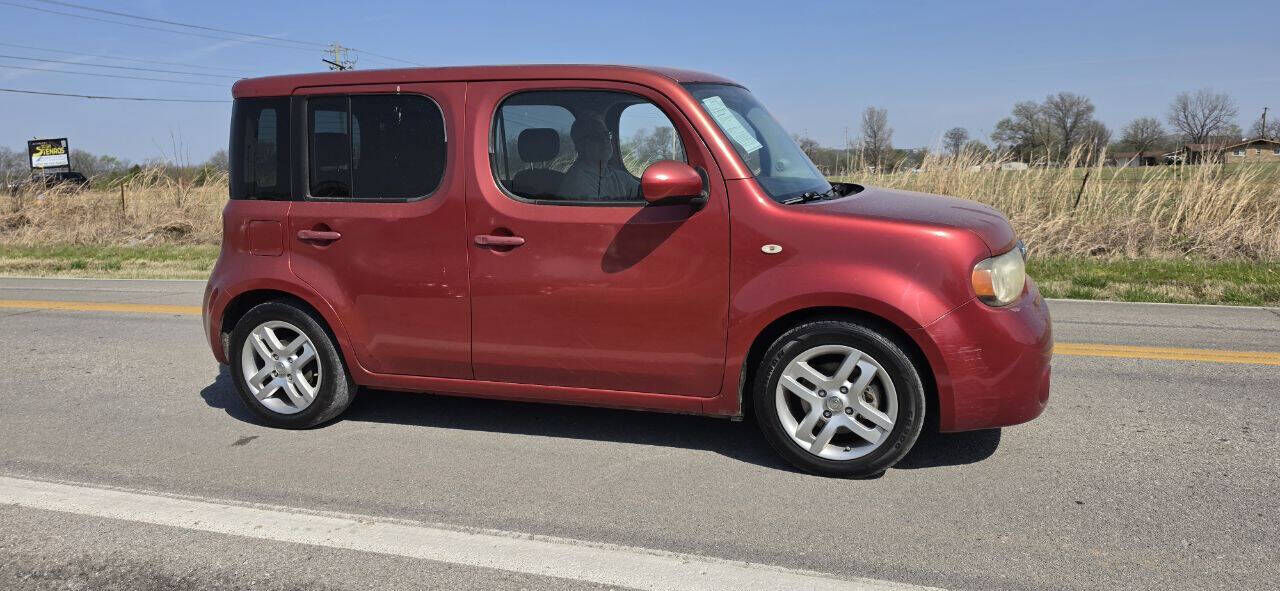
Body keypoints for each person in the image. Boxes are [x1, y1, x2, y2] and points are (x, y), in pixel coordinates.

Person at [558, 115, 639, 200]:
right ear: (580, 145)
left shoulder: (617, 176)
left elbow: (643, 192)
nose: (605, 140)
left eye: (606, 134)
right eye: (596, 136)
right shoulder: (577, 181)